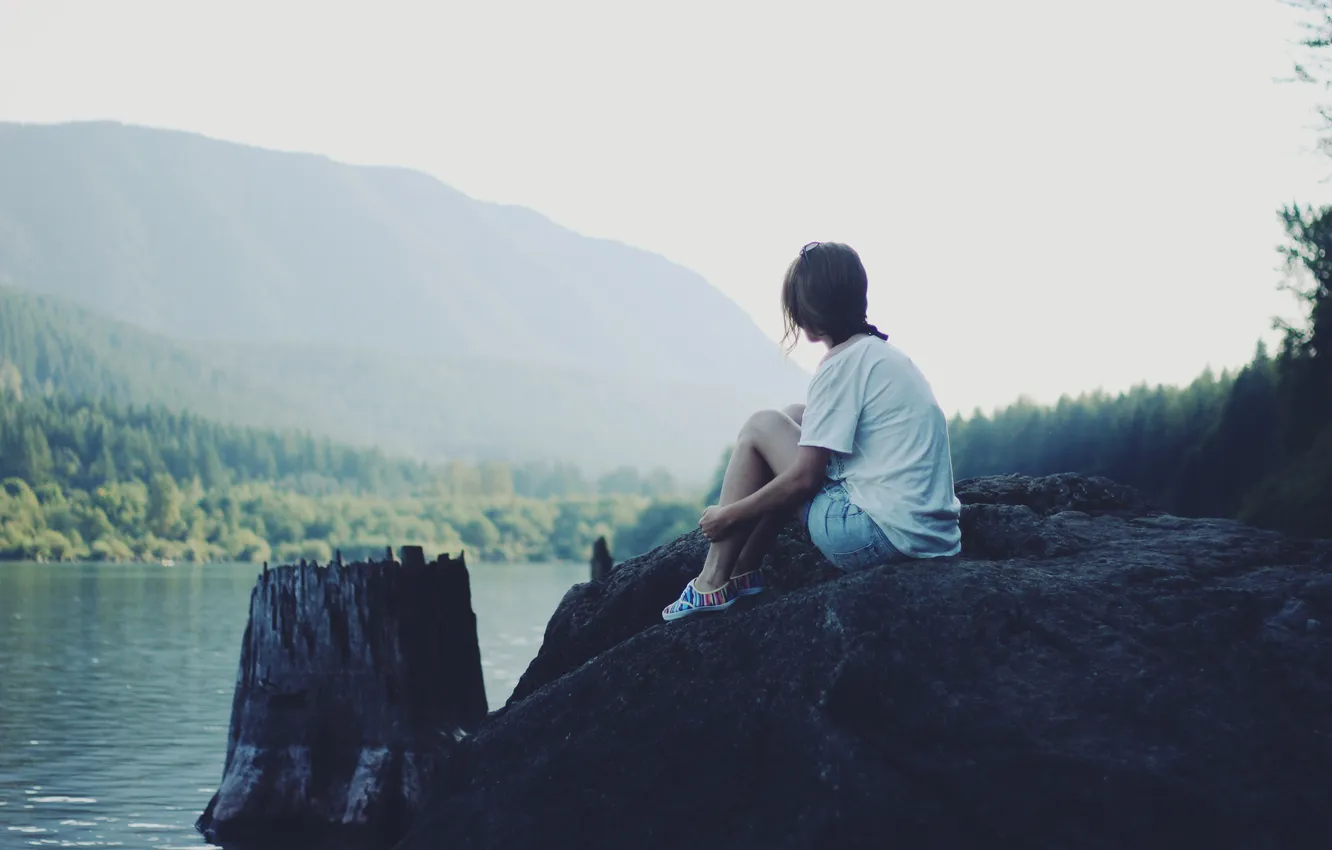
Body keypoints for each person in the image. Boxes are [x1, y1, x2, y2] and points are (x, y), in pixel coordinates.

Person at [662, 241, 962, 621]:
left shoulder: (840, 365)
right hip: (928, 536)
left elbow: (803, 480)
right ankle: (745, 571)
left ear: (809, 311)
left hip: (876, 538)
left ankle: (711, 581)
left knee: (761, 426)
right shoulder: (883, 356)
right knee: (794, 416)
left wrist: (730, 515)